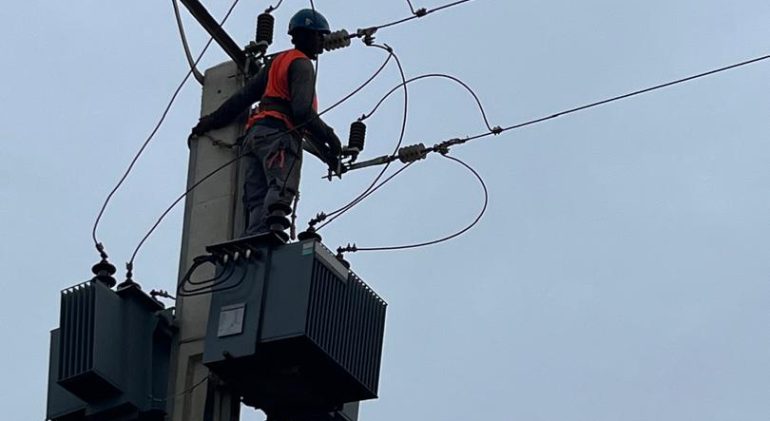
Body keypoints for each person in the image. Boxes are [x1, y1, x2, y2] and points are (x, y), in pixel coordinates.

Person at [190, 9, 342, 238]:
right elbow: (301, 112)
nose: (322, 42)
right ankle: (269, 237)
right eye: (320, 36)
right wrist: (330, 137)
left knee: (256, 196)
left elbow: (244, 97)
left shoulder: (276, 63)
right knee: (280, 188)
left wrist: (212, 121)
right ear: (307, 34)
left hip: (256, 136)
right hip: (279, 137)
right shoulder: (302, 64)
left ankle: (253, 238)